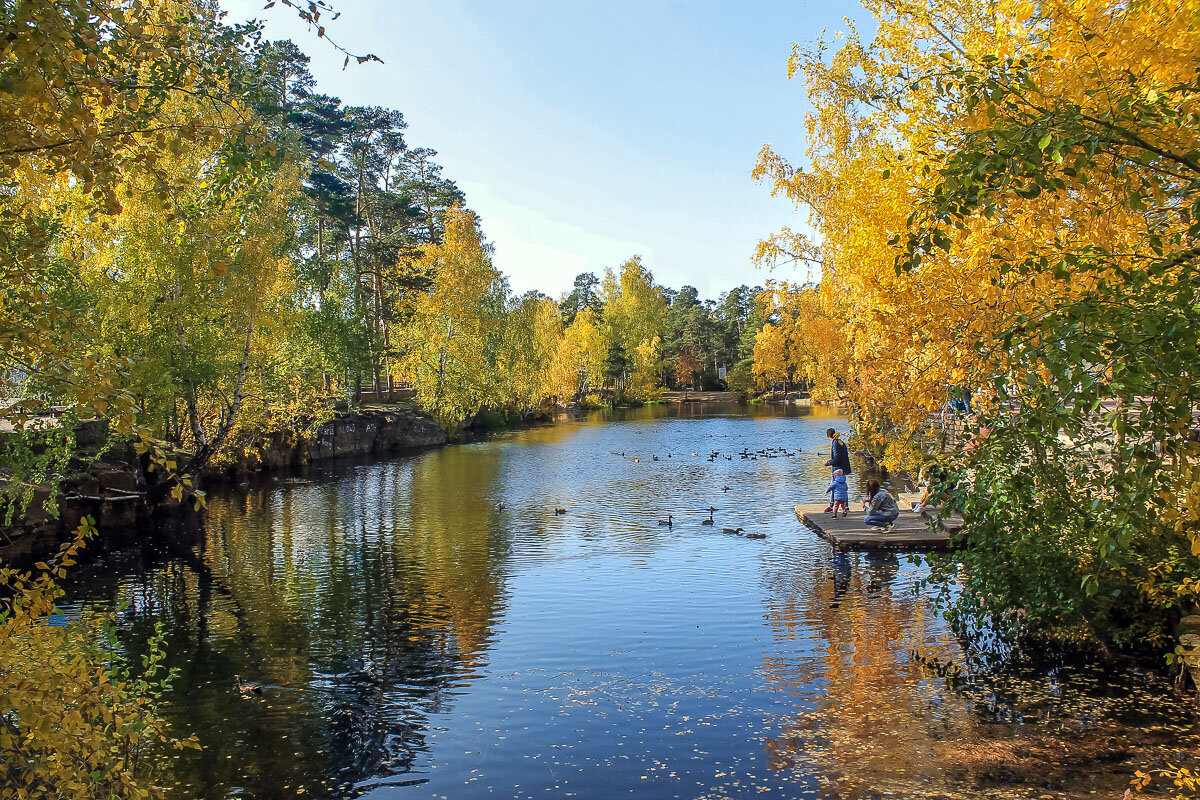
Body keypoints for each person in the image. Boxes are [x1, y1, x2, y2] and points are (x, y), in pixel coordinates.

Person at [822, 428, 853, 513]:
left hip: (838, 470)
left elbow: (837, 459)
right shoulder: (840, 442)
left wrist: (827, 463)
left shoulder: (835, 443)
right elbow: (839, 457)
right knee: (843, 488)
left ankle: (832, 506)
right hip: (843, 468)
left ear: (828, 436)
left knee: (834, 487)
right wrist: (830, 461)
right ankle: (845, 506)